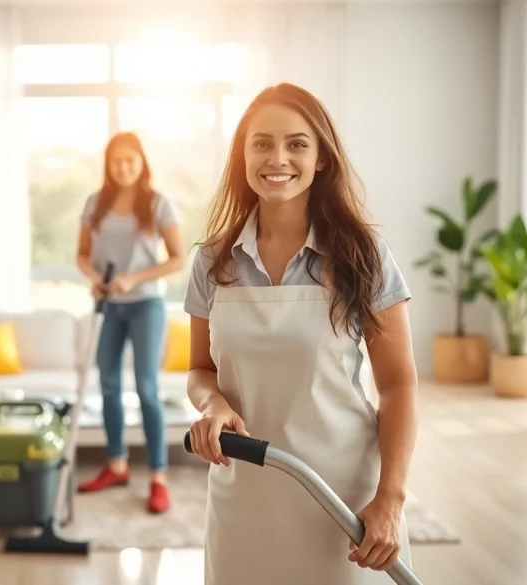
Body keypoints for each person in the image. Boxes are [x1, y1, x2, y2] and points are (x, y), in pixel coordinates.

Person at [184, 83, 419, 584]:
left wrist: (391, 499)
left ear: (321, 159)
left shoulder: (364, 255)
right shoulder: (212, 262)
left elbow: (399, 385)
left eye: (297, 144)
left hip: (341, 502)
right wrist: (213, 405)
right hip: (243, 500)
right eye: (262, 143)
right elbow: (200, 369)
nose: (278, 158)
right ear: (243, 155)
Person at [75, 132, 185, 514]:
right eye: (116, 160)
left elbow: (178, 259)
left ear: (142, 162)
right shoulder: (95, 204)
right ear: (108, 164)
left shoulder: (158, 204)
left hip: (145, 306)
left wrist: (133, 278)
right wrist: (96, 279)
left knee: (146, 389)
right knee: (107, 385)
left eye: (130, 160)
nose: (123, 167)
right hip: (109, 305)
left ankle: (158, 477)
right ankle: (117, 465)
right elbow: (82, 255)